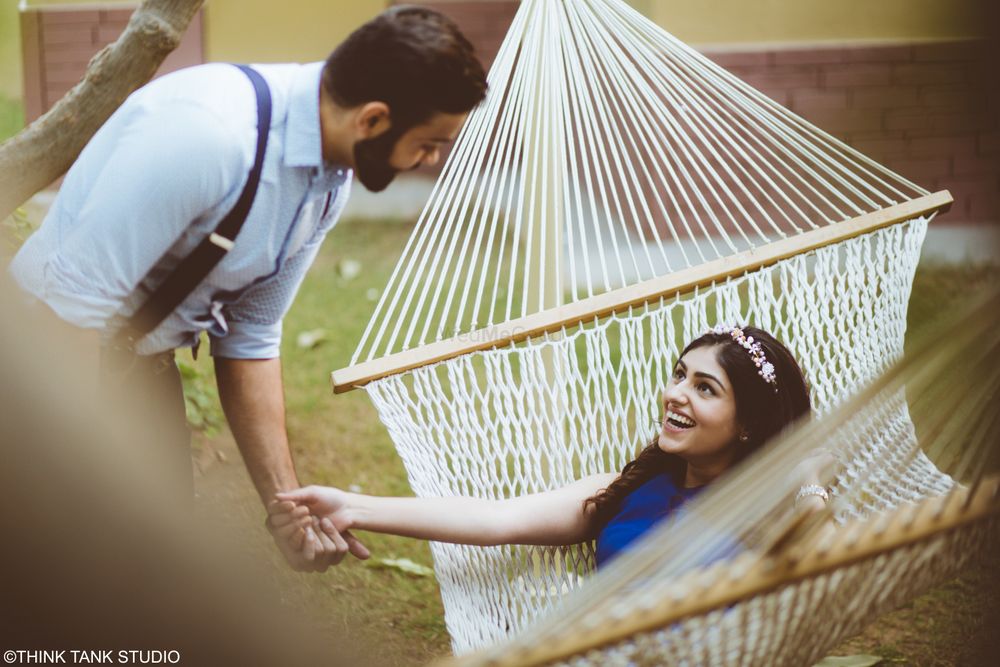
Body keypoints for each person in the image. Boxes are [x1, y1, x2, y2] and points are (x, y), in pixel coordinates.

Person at [5, 6, 488, 572]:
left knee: (150, 569)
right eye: (431, 143)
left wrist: (289, 508)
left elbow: (252, 333)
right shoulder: (207, 138)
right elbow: (65, 318)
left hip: (138, 364)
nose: (432, 160)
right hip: (40, 364)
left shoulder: (328, 176)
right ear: (374, 120)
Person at [269, 326, 831, 567]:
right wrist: (355, 507)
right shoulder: (629, 490)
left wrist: (808, 482)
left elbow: (834, 578)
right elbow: (497, 519)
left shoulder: (771, 510)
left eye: (704, 389)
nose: (673, 395)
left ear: (749, 425)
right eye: (680, 374)